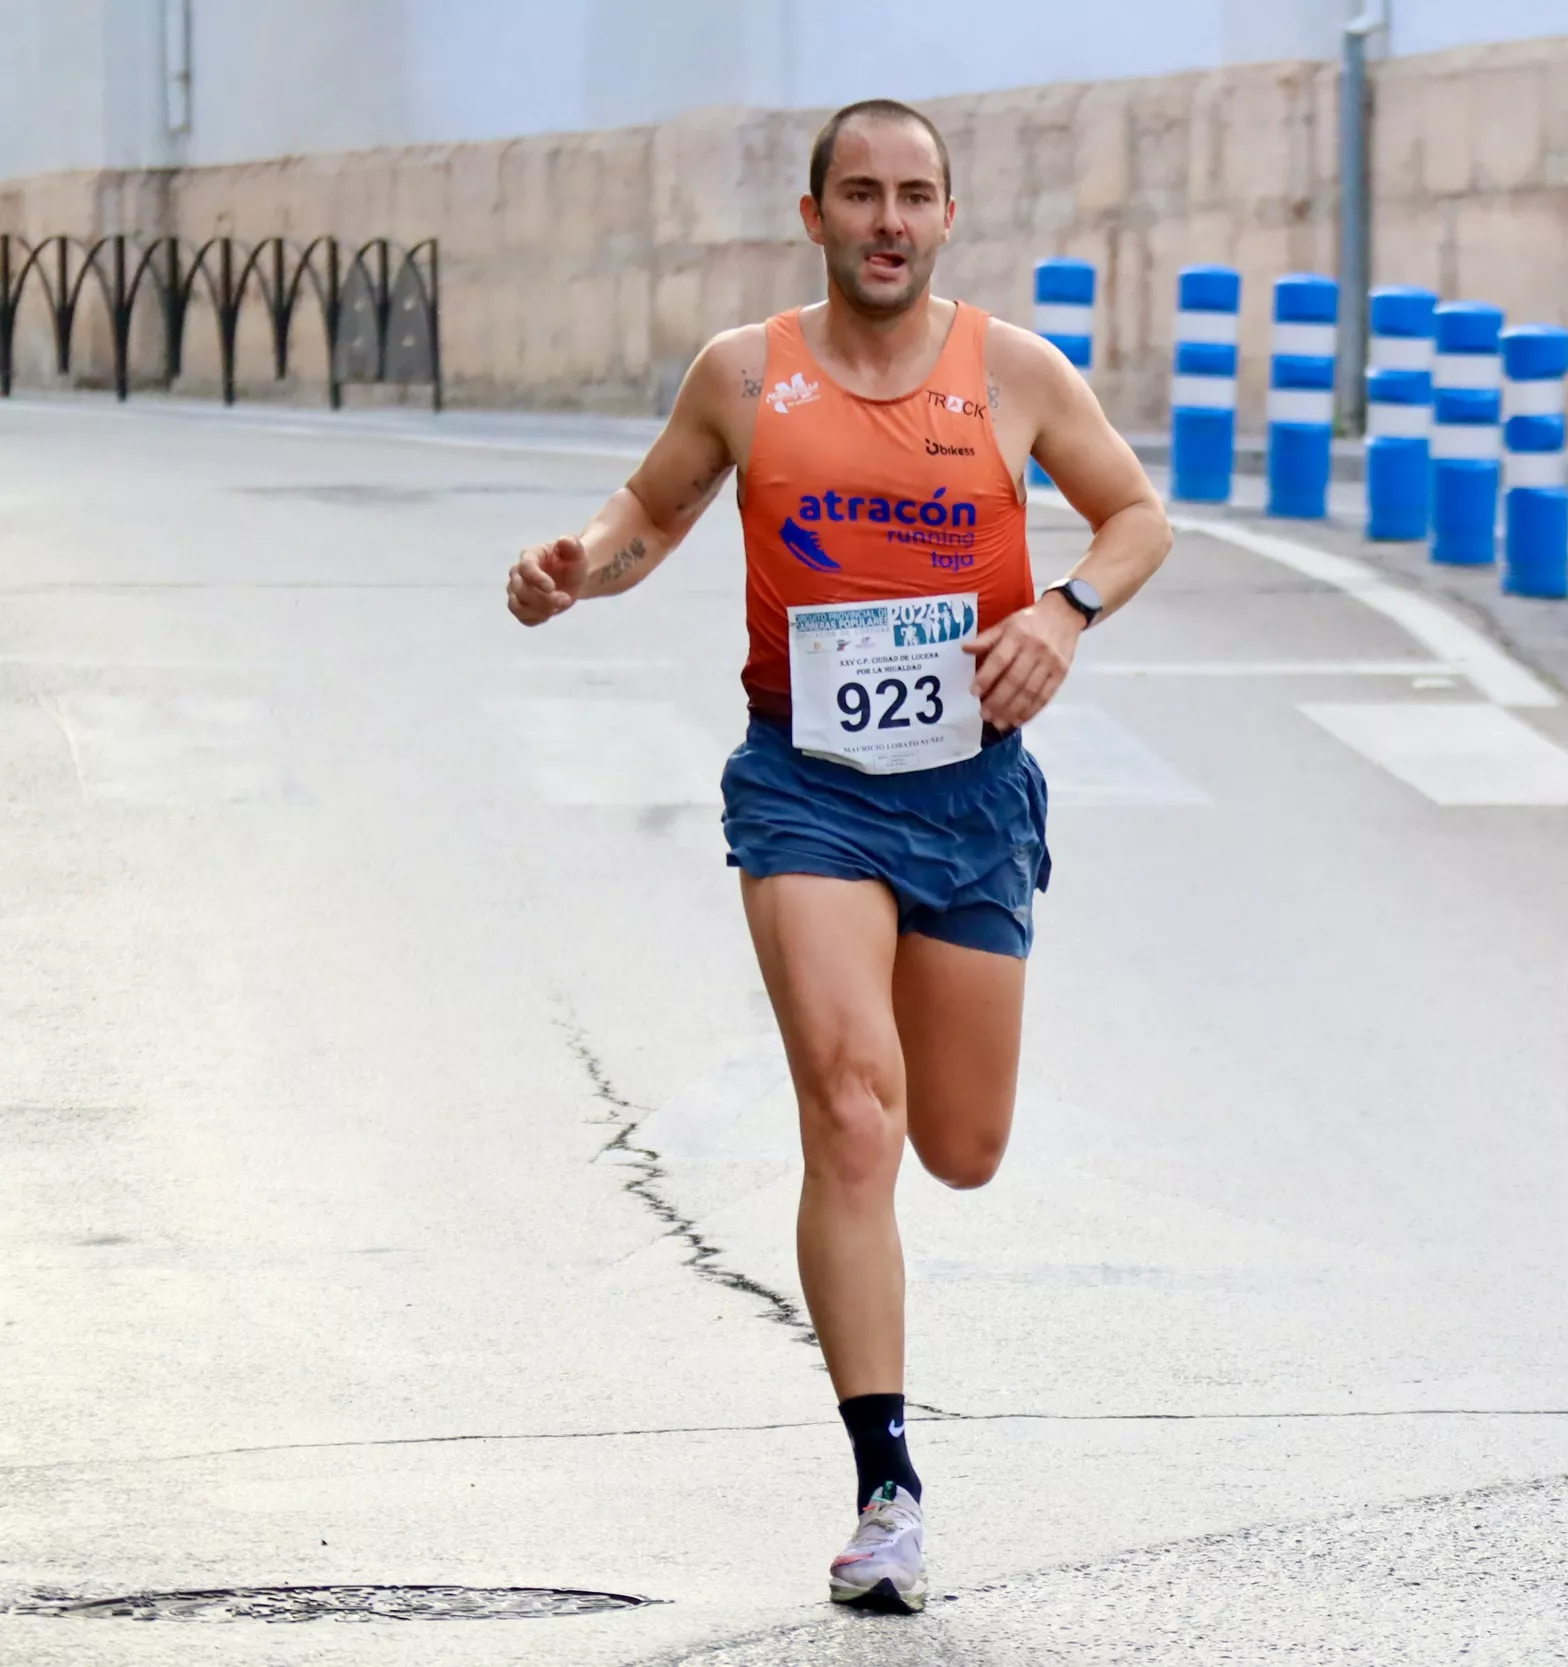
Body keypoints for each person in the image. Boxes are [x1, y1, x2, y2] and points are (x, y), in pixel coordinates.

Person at [503, 99, 1170, 1614]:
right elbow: (651, 514)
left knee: (958, 1143)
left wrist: (1064, 612)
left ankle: (891, 1454)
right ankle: (886, 1486)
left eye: (914, 195)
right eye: (860, 193)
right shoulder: (745, 374)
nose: (888, 218)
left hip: (971, 795)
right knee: (854, 1114)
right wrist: (573, 573)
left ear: (945, 219)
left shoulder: (1011, 372)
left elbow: (1138, 514)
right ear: (813, 216)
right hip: (804, 782)